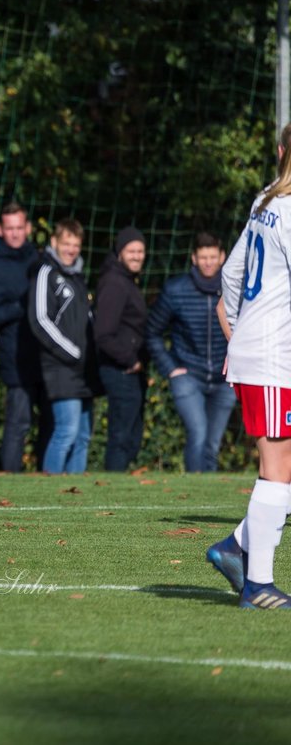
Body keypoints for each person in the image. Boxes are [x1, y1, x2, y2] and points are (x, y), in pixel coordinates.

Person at [206, 122, 291, 608]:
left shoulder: (267, 201)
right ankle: (257, 583)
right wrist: (252, 339)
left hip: (263, 353)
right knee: (276, 469)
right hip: (275, 358)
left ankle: (236, 546)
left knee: (283, 467)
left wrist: (241, 334)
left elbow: (231, 275)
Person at [144, 231, 236, 472]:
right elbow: (152, 332)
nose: (208, 262)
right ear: (194, 258)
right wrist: (171, 368)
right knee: (198, 433)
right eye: (203, 257)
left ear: (222, 257)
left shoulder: (235, 290)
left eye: (213, 257)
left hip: (225, 378)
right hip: (188, 376)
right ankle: (193, 489)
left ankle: (207, 496)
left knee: (212, 443)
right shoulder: (176, 290)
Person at [0, 202, 51, 472]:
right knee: (19, 423)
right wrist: (20, 309)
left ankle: (47, 477)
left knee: (51, 422)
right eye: (10, 228)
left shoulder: (38, 260)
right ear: (0, 230)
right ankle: (10, 479)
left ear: (28, 228)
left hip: (46, 354)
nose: (16, 233)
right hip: (16, 357)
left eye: (20, 227)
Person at [28, 218, 100, 475]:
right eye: (66, 243)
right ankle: (49, 492)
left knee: (82, 437)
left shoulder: (78, 277)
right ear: (55, 242)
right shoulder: (46, 273)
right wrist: (72, 351)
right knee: (66, 431)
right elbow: (40, 319)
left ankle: (73, 497)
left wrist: (92, 354)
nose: (71, 249)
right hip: (61, 366)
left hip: (83, 369)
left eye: (76, 245)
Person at [94, 227, 148, 471]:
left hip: (128, 370)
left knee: (131, 437)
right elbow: (103, 334)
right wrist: (130, 360)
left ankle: (116, 482)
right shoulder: (115, 283)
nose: (136, 256)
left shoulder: (125, 281)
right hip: (120, 370)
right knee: (122, 437)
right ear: (119, 253)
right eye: (131, 251)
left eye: (140, 251)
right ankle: (110, 486)